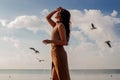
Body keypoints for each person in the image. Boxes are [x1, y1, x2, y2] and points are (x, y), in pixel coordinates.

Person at [42, 7, 71, 80]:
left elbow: (64, 42)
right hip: (54, 52)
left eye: (59, 12)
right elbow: (47, 17)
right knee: (54, 78)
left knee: (63, 77)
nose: (57, 12)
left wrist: (50, 41)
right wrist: (55, 10)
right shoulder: (55, 25)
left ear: (61, 16)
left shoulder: (60, 25)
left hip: (59, 52)